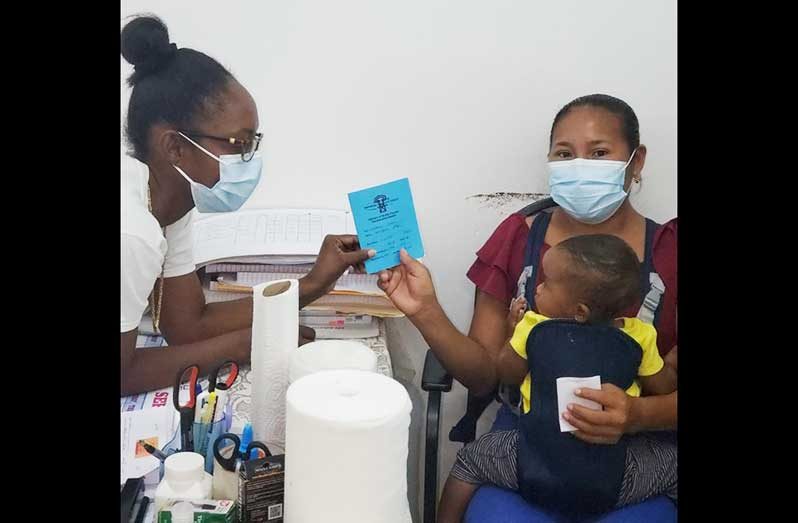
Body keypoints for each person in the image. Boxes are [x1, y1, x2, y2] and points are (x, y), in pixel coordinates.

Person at [378, 93, 677, 515]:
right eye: (564, 154)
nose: (580, 166)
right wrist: (425, 310)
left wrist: (638, 415)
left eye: (599, 153)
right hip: (529, 441)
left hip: (636, 451)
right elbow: (485, 376)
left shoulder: (670, 251)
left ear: (636, 160)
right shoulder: (519, 237)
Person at [120, 15, 373, 396]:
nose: (251, 159)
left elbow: (188, 324)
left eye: (253, 142)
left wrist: (312, 284)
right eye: (239, 144)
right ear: (175, 147)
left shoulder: (171, 202)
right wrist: (244, 346)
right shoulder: (132, 230)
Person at [434, 234, 677, 522]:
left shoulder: (535, 327)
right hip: (615, 472)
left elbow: (508, 374)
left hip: (531, 457)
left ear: (580, 311)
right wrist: (667, 364)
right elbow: (664, 387)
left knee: (469, 463)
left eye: (547, 283)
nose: (538, 287)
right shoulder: (639, 336)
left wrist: (513, 331)